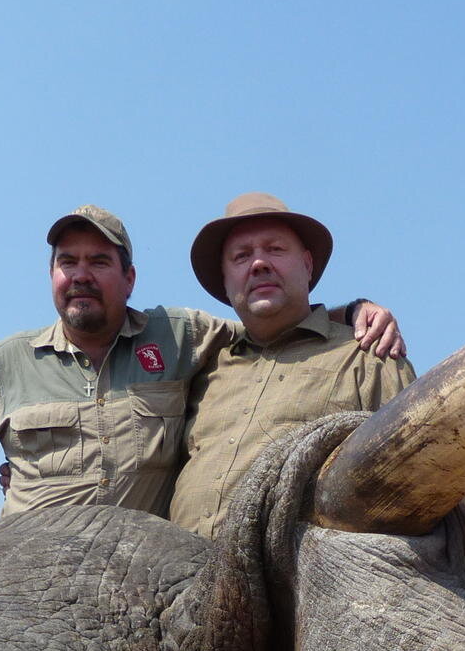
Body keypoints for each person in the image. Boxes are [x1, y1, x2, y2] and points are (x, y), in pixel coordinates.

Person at [0, 205, 401, 545]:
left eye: (100, 261)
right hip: (27, 582)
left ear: (130, 279)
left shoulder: (183, 336)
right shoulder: (5, 361)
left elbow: (271, 323)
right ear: (52, 276)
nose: (81, 274)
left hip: (144, 593)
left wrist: (355, 311)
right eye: (67, 262)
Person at [168, 194, 416, 540]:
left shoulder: (368, 355)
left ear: (308, 265)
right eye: (241, 256)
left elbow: (411, 482)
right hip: (187, 582)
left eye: (275, 249)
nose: (258, 264)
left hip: (307, 584)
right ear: (225, 282)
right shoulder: (202, 370)